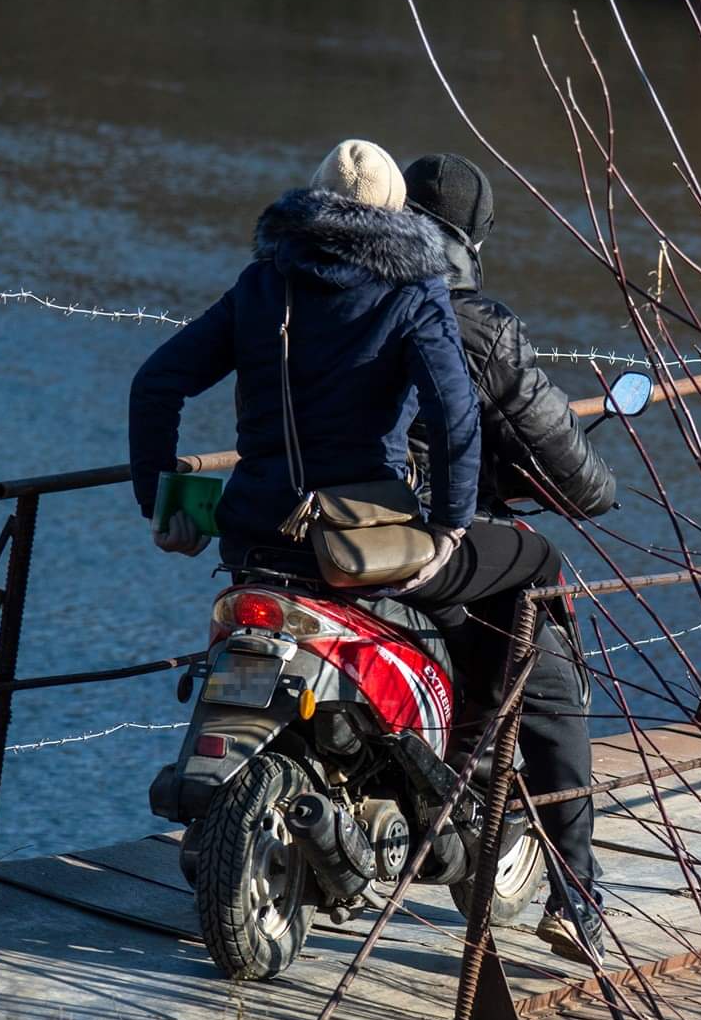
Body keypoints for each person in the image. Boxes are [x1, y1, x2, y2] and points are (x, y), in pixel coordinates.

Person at [127, 138, 558, 787]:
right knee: (534, 561)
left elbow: (155, 383)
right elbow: (455, 415)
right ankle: (474, 758)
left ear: (310, 199)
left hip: (254, 537)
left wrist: (159, 502)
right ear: (396, 214)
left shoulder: (263, 283)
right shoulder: (412, 291)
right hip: (363, 543)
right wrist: (446, 528)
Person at [402, 151, 616, 968]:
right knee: (551, 675)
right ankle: (576, 895)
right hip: (431, 543)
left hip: (315, 526)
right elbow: (573, 470)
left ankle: (451, 789)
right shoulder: (478, 328)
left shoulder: (334, 290)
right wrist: (596, 485)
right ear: (474, 239)